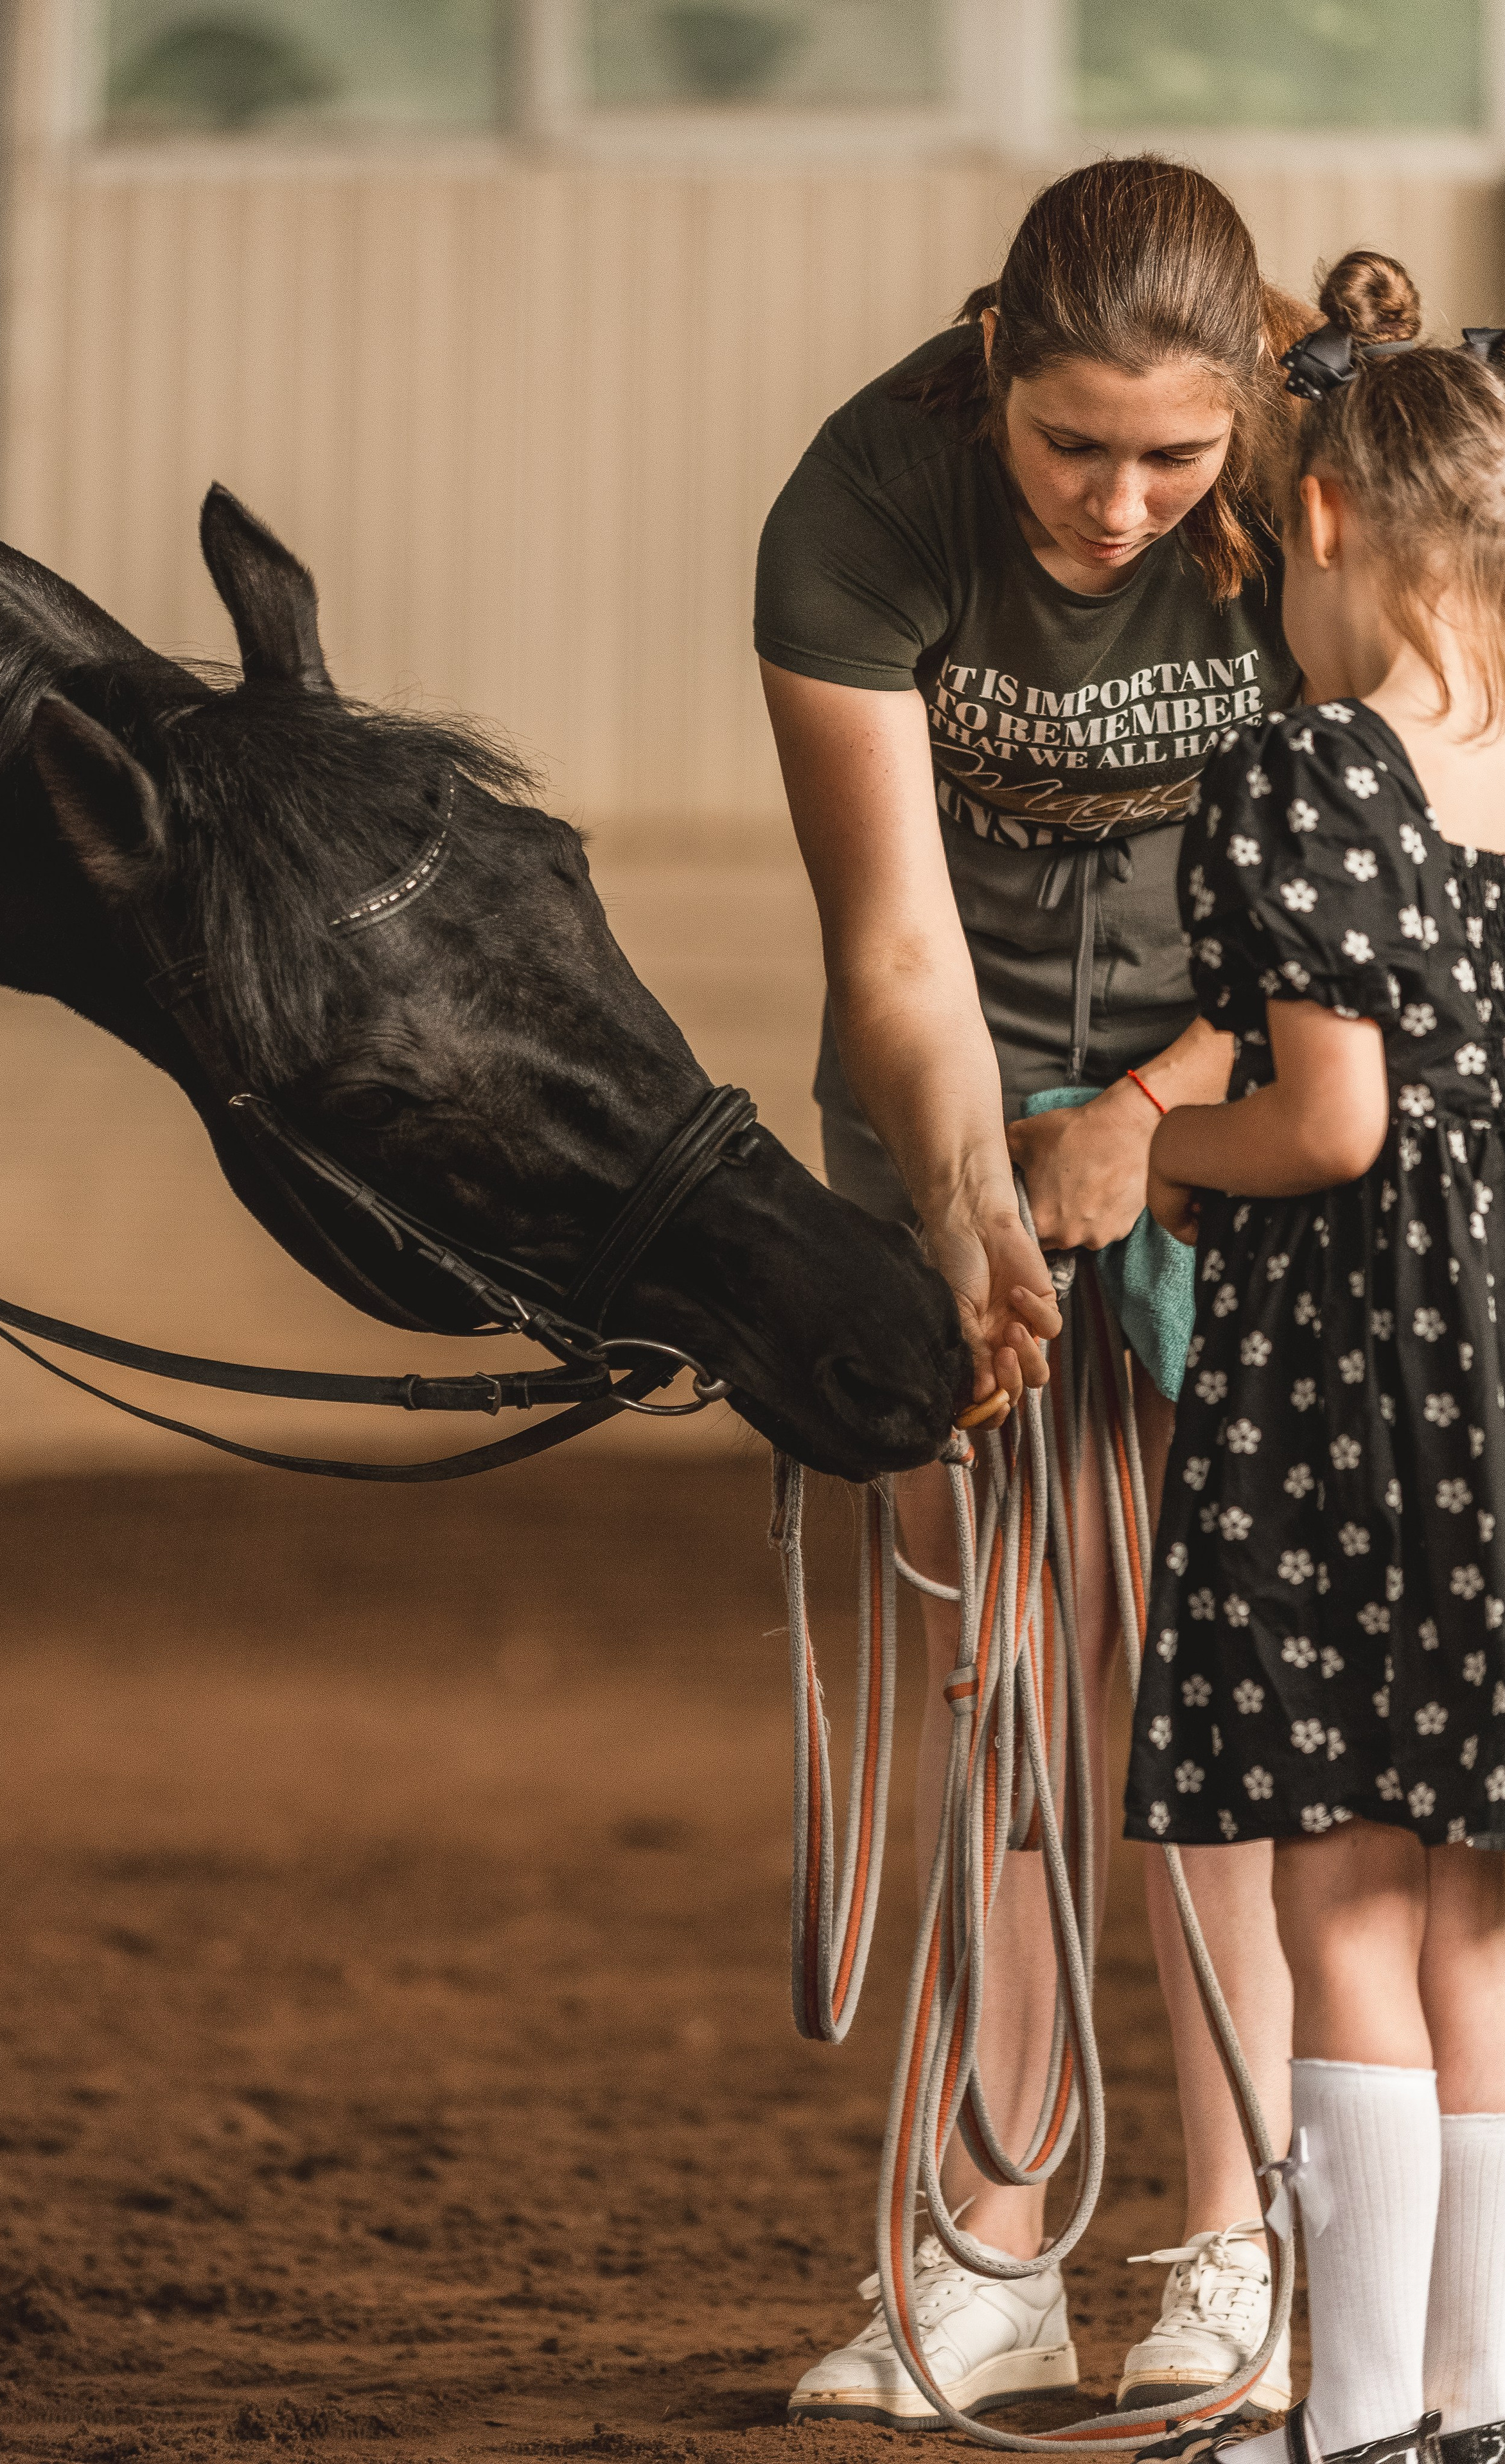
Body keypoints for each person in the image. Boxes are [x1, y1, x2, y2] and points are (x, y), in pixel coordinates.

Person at [757, 155, 1303, 2433]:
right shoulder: (862, 504)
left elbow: (1367, 890)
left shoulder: (1318, 493)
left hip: (1248, 1110)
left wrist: (1152, 1119)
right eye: (1071, 443)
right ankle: (990, 2245)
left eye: (1174, 456)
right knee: (1009, 1669)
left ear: (1250, 406)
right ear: (993, 372)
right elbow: (893, 944)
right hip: (953, 1099)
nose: (1116, 501)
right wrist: (978, 1195)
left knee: (1221, 1668)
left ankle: (1246, 2242)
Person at [1130, 251, 1505, 2464]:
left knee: (1342, 1883)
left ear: (1336, 524)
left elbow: (1336, 1120)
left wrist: (1174, 1143)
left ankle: (1349, 2418)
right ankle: (1477, 2402)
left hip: (1363, 1381)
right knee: (1480, 1913)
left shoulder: (1312, 773)